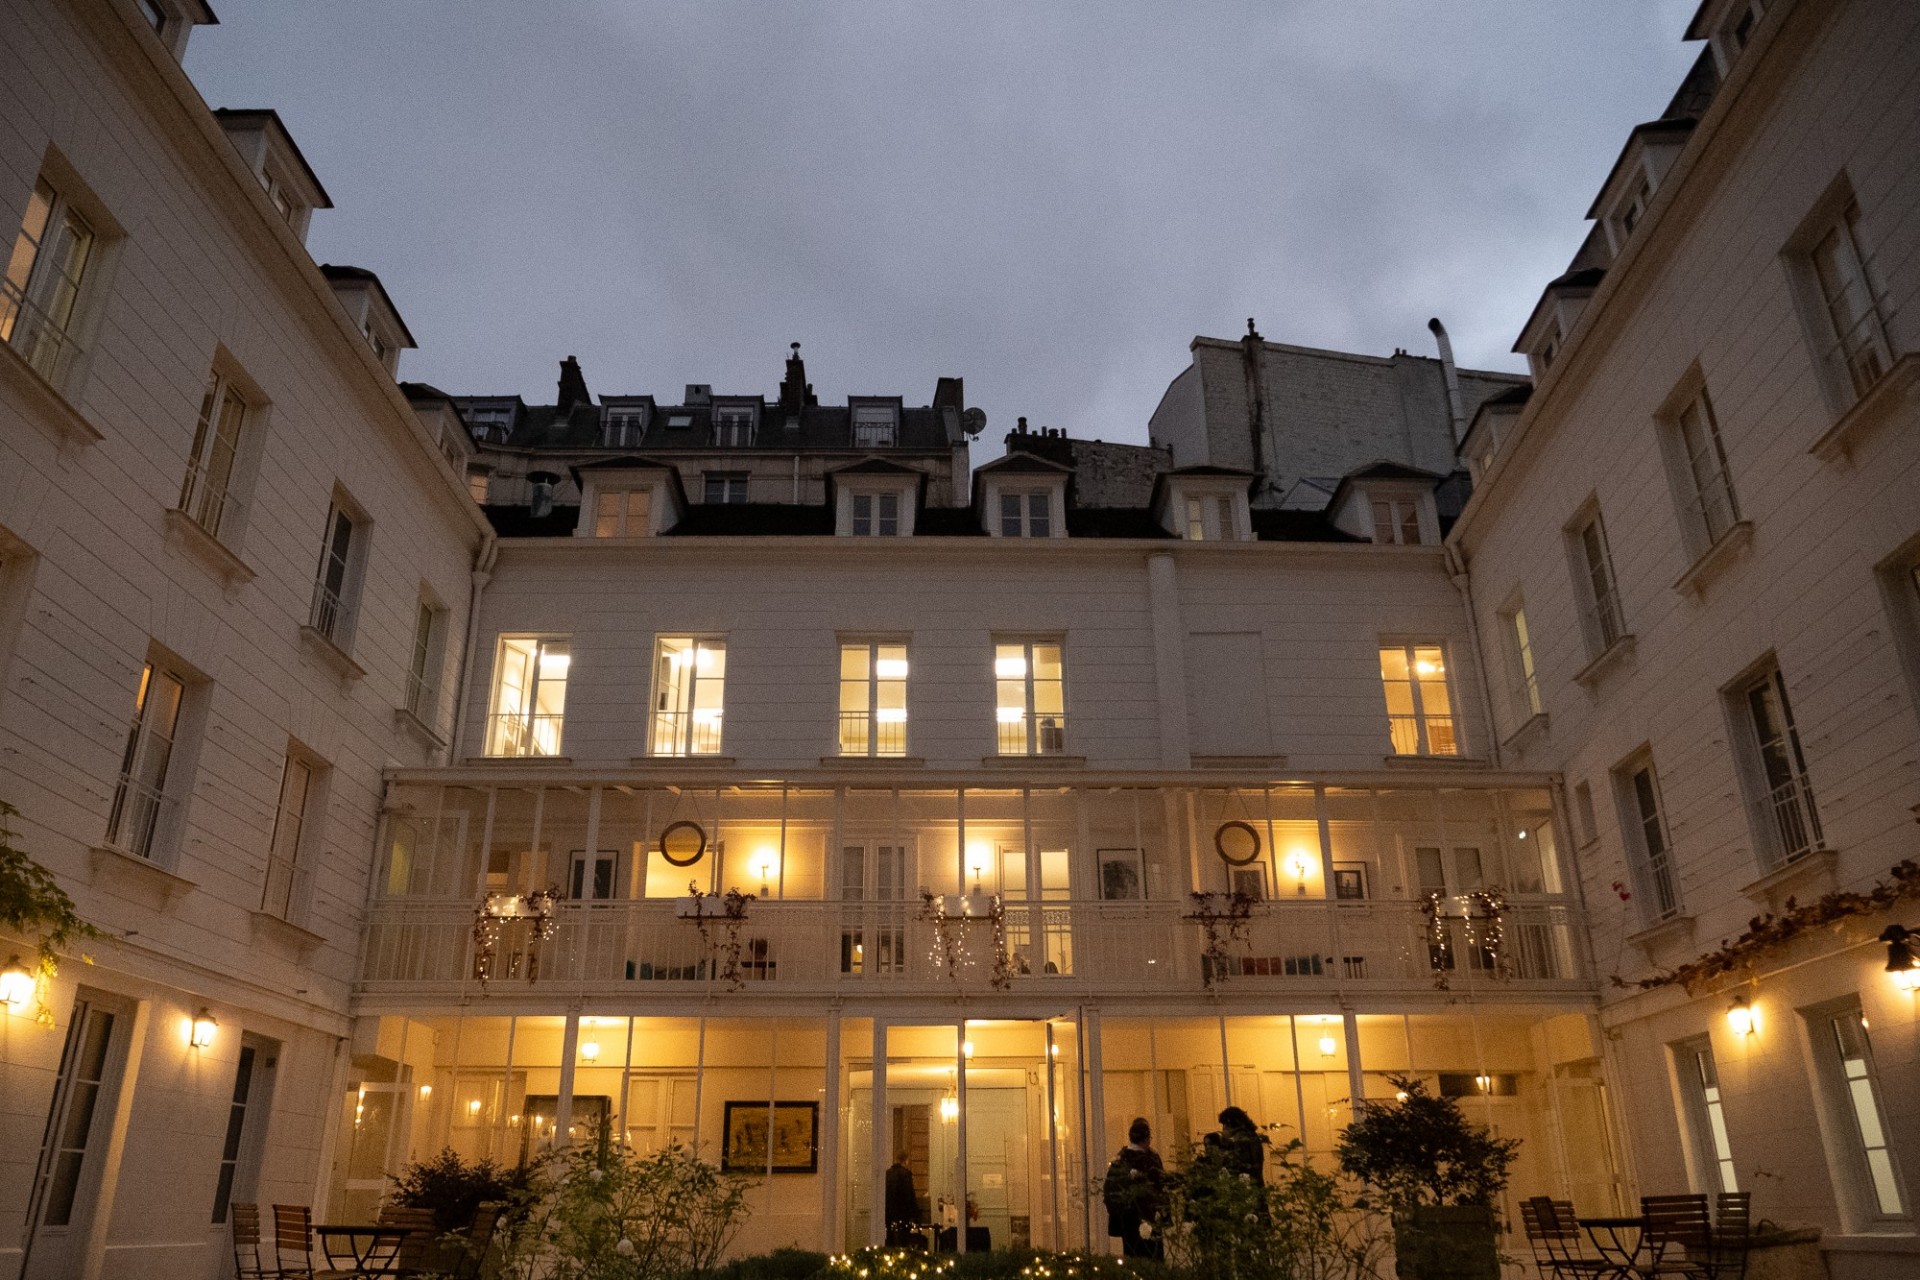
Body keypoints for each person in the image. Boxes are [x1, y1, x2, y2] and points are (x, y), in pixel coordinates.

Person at [1102, 1116, 1167, 1259]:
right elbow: (1161, 1185)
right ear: (1146, 1139)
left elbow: (1109, 1190)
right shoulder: (1148, 1160)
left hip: (1126, 1220)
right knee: (1151, 1257)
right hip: (1147, 1217)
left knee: (1132, 1255)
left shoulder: (1120, 1160)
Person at [1204, 1105, 1267, 1187]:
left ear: (1230, 1123)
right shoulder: (1252, 1135)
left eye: (1224, 1124)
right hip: (1256, 1182)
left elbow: (1238, 1163)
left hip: (1248, 1186)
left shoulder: (1242, 1138)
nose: (1224, 1128)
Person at [885, 1149, 922, 1248]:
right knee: (903, 1241)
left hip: (890, 1214)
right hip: (903, 1214)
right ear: (906, 1160)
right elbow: (909, 1195)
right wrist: (915, 1214)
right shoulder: (906, 1174)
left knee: (891, 1240)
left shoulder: (888, 1174)